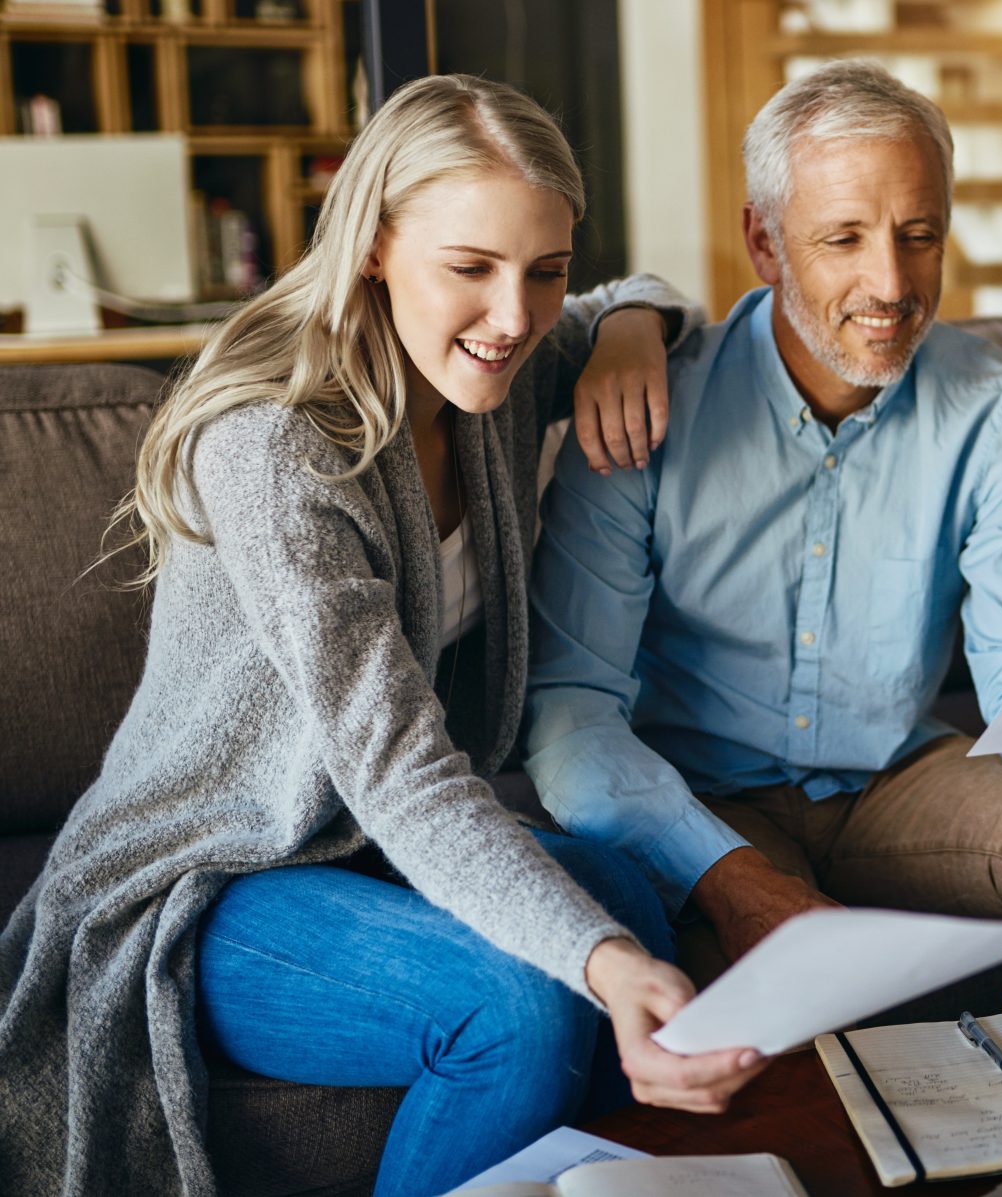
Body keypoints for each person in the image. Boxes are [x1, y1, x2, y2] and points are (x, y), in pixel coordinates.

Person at [0, 75, 764, 1197]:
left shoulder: (489, 377)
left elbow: (638, 292)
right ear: (373, 246)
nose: (514, 315)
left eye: (544, 270)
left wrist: (628, 331)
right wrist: (595, 966)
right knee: (519, 1004)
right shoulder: (275, 451)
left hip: (353, 848)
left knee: (626, 891)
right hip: (210, 881)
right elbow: (402, 778)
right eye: (470, 268)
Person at [524, 60, 1002, 1015]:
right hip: (705, 796)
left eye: (919, 236)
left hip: (897, 781)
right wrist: (730, 875)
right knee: (740, 1005)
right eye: (843, 238)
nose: (891, 283)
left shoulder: (996, 411)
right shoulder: (646, 409)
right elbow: (573, 708)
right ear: (765, 241)